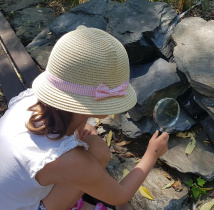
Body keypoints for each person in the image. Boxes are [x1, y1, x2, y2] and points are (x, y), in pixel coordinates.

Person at [0, 26, 169, 210]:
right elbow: (120, 196)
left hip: (9, 195)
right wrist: (152, 154)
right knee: (95, 151)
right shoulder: (70, 161)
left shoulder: (31, 100)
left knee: (94, 143)